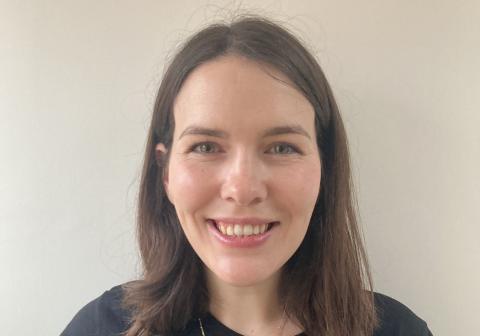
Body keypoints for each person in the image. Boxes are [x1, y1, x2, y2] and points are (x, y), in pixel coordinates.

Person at [61, 15, 433, 336]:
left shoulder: (398, 330)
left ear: (324, 168)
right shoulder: (103, 328)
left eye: (282, 147)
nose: (242, 189)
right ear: (165, 174)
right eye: (205, 147)